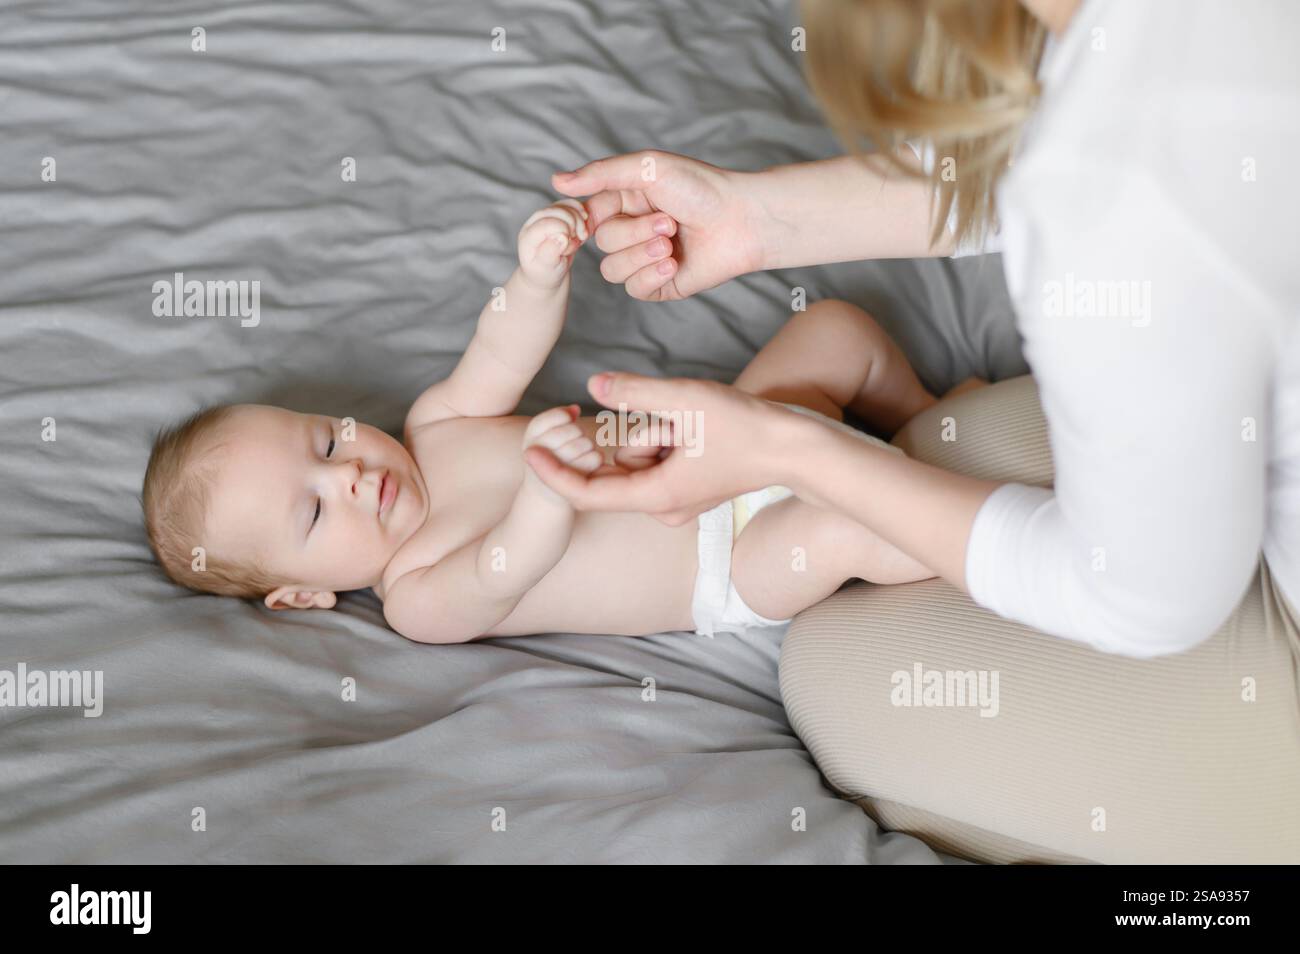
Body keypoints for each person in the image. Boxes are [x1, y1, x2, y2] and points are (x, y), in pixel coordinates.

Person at [523, 0, 1300, 861]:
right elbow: (1076, 136)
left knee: (840, 677)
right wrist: (757, 221)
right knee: (942, 454)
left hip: (1227, 619)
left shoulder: (1119, 200)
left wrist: (783, 447)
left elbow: (1150, 603)